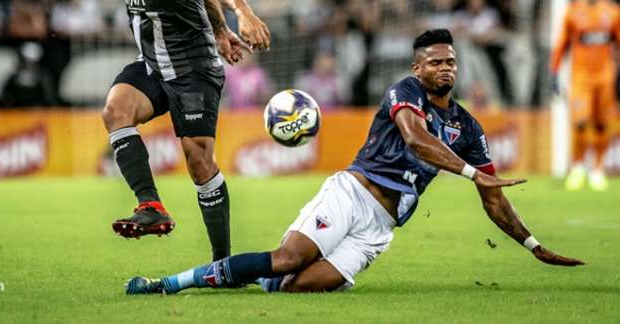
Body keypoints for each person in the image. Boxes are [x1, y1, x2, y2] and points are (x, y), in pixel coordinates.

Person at [126, 29, 583, 295]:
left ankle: (253, 277)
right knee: (287, 258)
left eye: (451, 62)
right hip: (352, 193)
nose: (446, 68)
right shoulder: (404, 92)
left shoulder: (467, 127)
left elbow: (493, 196)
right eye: (436, 62)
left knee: (297, 287)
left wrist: (532, 244)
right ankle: (171, 282)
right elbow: (417, 141)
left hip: (379, 230)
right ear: (417, 67)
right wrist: (467, 172)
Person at [104, 0, 270, 261]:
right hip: (152, 64)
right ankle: (151, 207)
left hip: (193, 67)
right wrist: (219, 29)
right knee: (115, 111)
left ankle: (222, 261)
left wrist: (242, 14)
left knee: (199, 161)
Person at [550, 0, 620, 191]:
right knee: (580, 122)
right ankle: (578, 167)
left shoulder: (613, 12)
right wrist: (554, 73)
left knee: (601, 123)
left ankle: (597, 169)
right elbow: (561, 44)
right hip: (580, 78)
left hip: (605, 77)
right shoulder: (573, 12)